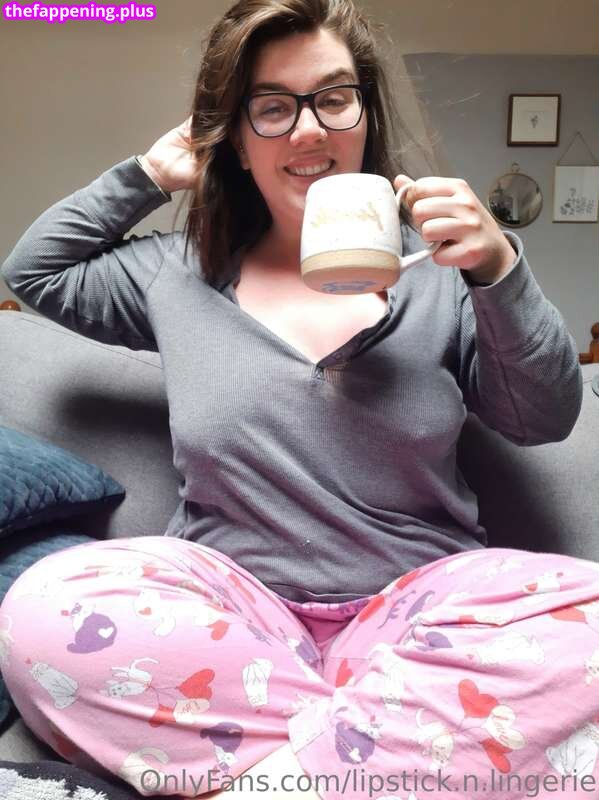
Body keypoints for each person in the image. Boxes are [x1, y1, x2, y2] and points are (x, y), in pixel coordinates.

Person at [0, 0, 595, 798]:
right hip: (230, 620)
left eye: (333, 98)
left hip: (419, 620)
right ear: (235, 141)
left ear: (364, 116)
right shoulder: (174, 273)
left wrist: (498, 270)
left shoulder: (445, 275)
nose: (309, 130)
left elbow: (543, 417)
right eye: (272, 108)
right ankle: (390, 758)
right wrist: (149, 174)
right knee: (43, 604)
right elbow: (34, 272)